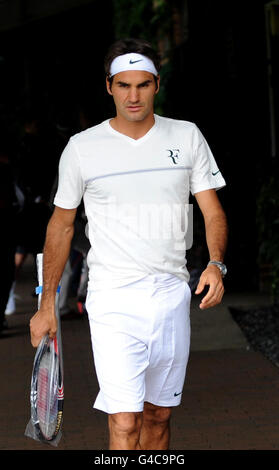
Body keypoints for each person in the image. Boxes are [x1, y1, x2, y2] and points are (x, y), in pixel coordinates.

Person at [29, 38, 228, 450]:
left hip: (171, 294)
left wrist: (216, 263)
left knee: (157, 417)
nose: (133, 95)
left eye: (142, 84)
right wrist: (47, 304)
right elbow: (60, 227)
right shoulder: (82, 148)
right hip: (113, 298)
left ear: (157, 84)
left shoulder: (187, 136)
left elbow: (212, 211)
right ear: (109, 87)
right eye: (123, 85)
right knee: (124, 420)